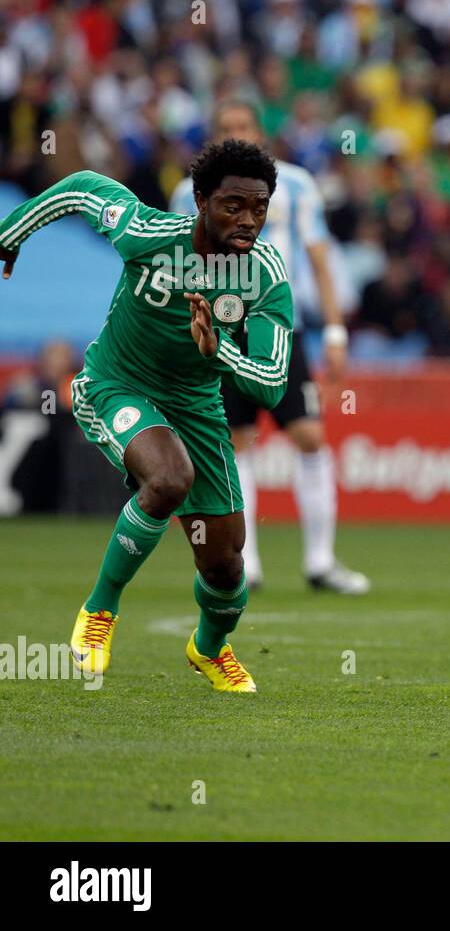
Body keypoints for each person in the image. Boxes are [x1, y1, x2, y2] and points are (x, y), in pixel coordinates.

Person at [0, 140, 294, 692]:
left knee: (227, 567)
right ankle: (100, 611)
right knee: (168, 479)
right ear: (201, 200)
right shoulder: (148, 234)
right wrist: (12, 234)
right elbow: (84, 187)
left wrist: (217, 353)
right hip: (118, 384)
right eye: (233, 205)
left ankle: (208, 648)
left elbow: (272, 384)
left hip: (198, 405)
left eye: (260, 207)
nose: (248, 219)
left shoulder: (265, 275)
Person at [171, 99, 369, 595]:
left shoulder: (297, 184)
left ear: (260, 132)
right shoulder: (188, 192)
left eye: (244, 125)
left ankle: (320, 561)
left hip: (282, 325)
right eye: (226, 127)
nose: (236, 133)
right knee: (236, 443)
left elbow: (320, 259)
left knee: (309, 435)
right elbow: (175, 262)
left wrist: (335, 332)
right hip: (216, 328)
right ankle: (247, 564)